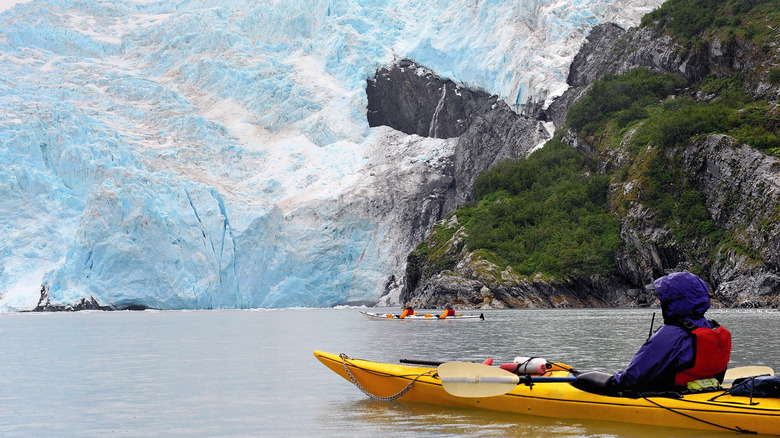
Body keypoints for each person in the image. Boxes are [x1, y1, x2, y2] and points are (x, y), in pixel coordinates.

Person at [606, 272, 732, 394]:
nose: (660, 302)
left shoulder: (670, 335)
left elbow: (631, 379)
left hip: (668, 397)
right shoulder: (713, 329)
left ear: (675, 301)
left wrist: (603, 382)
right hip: (701, 394)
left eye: (663, 298)